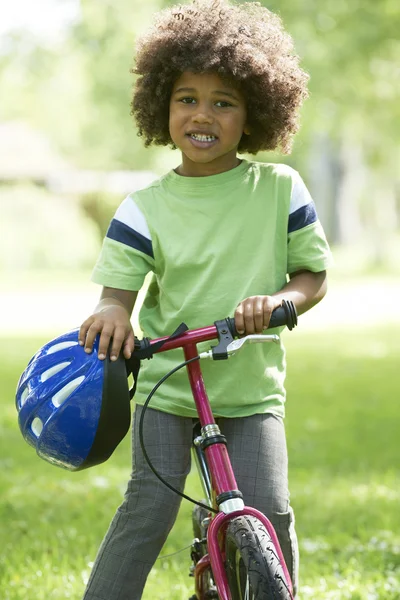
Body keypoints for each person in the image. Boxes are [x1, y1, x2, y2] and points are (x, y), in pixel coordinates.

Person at [79, 1, 333, 598]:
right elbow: (117, 294)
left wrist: (277, 302)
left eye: (224, 102)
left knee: (271, 509)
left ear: (254, 115)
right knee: (149, 505)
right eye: (186, 98)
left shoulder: (279, 188)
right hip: (168, 380)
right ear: (161, 106)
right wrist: (113, 312)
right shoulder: (144, 207)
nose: (203, 114)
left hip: (250, 387)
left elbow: (312, 277)